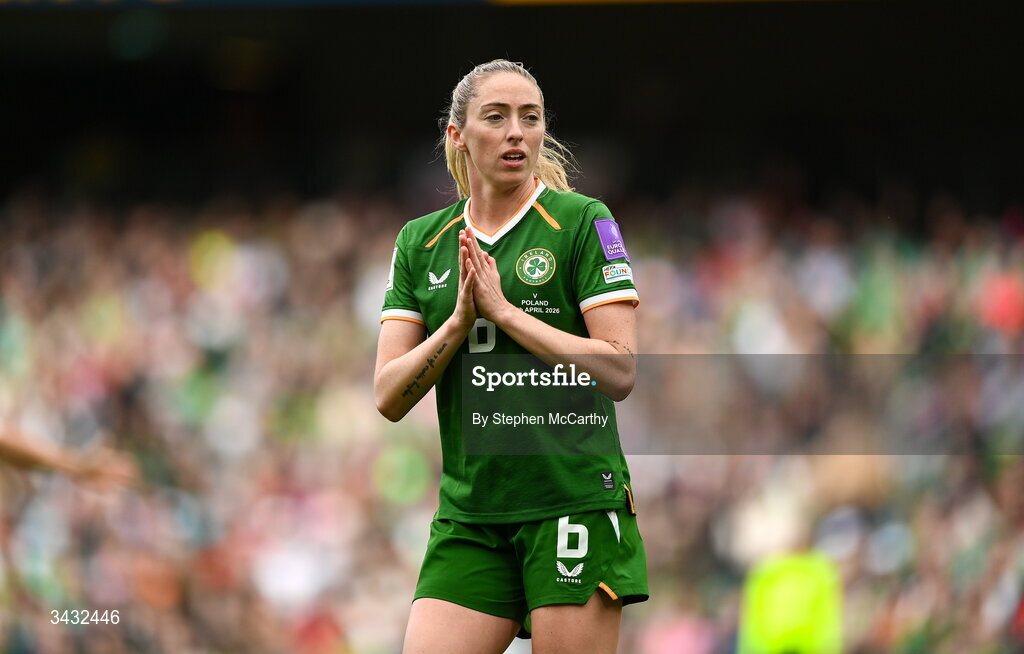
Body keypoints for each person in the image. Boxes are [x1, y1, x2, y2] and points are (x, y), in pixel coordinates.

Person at [374, 59, 647, 654]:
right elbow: (388, 396)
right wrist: (457, 324)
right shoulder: (421, 242)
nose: (516, 132)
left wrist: (507, 315)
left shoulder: (581, 223)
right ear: (458, 135)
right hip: (471, 515)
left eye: (530, 118)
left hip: (570, 501)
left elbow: (620, 368)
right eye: (495, 117)